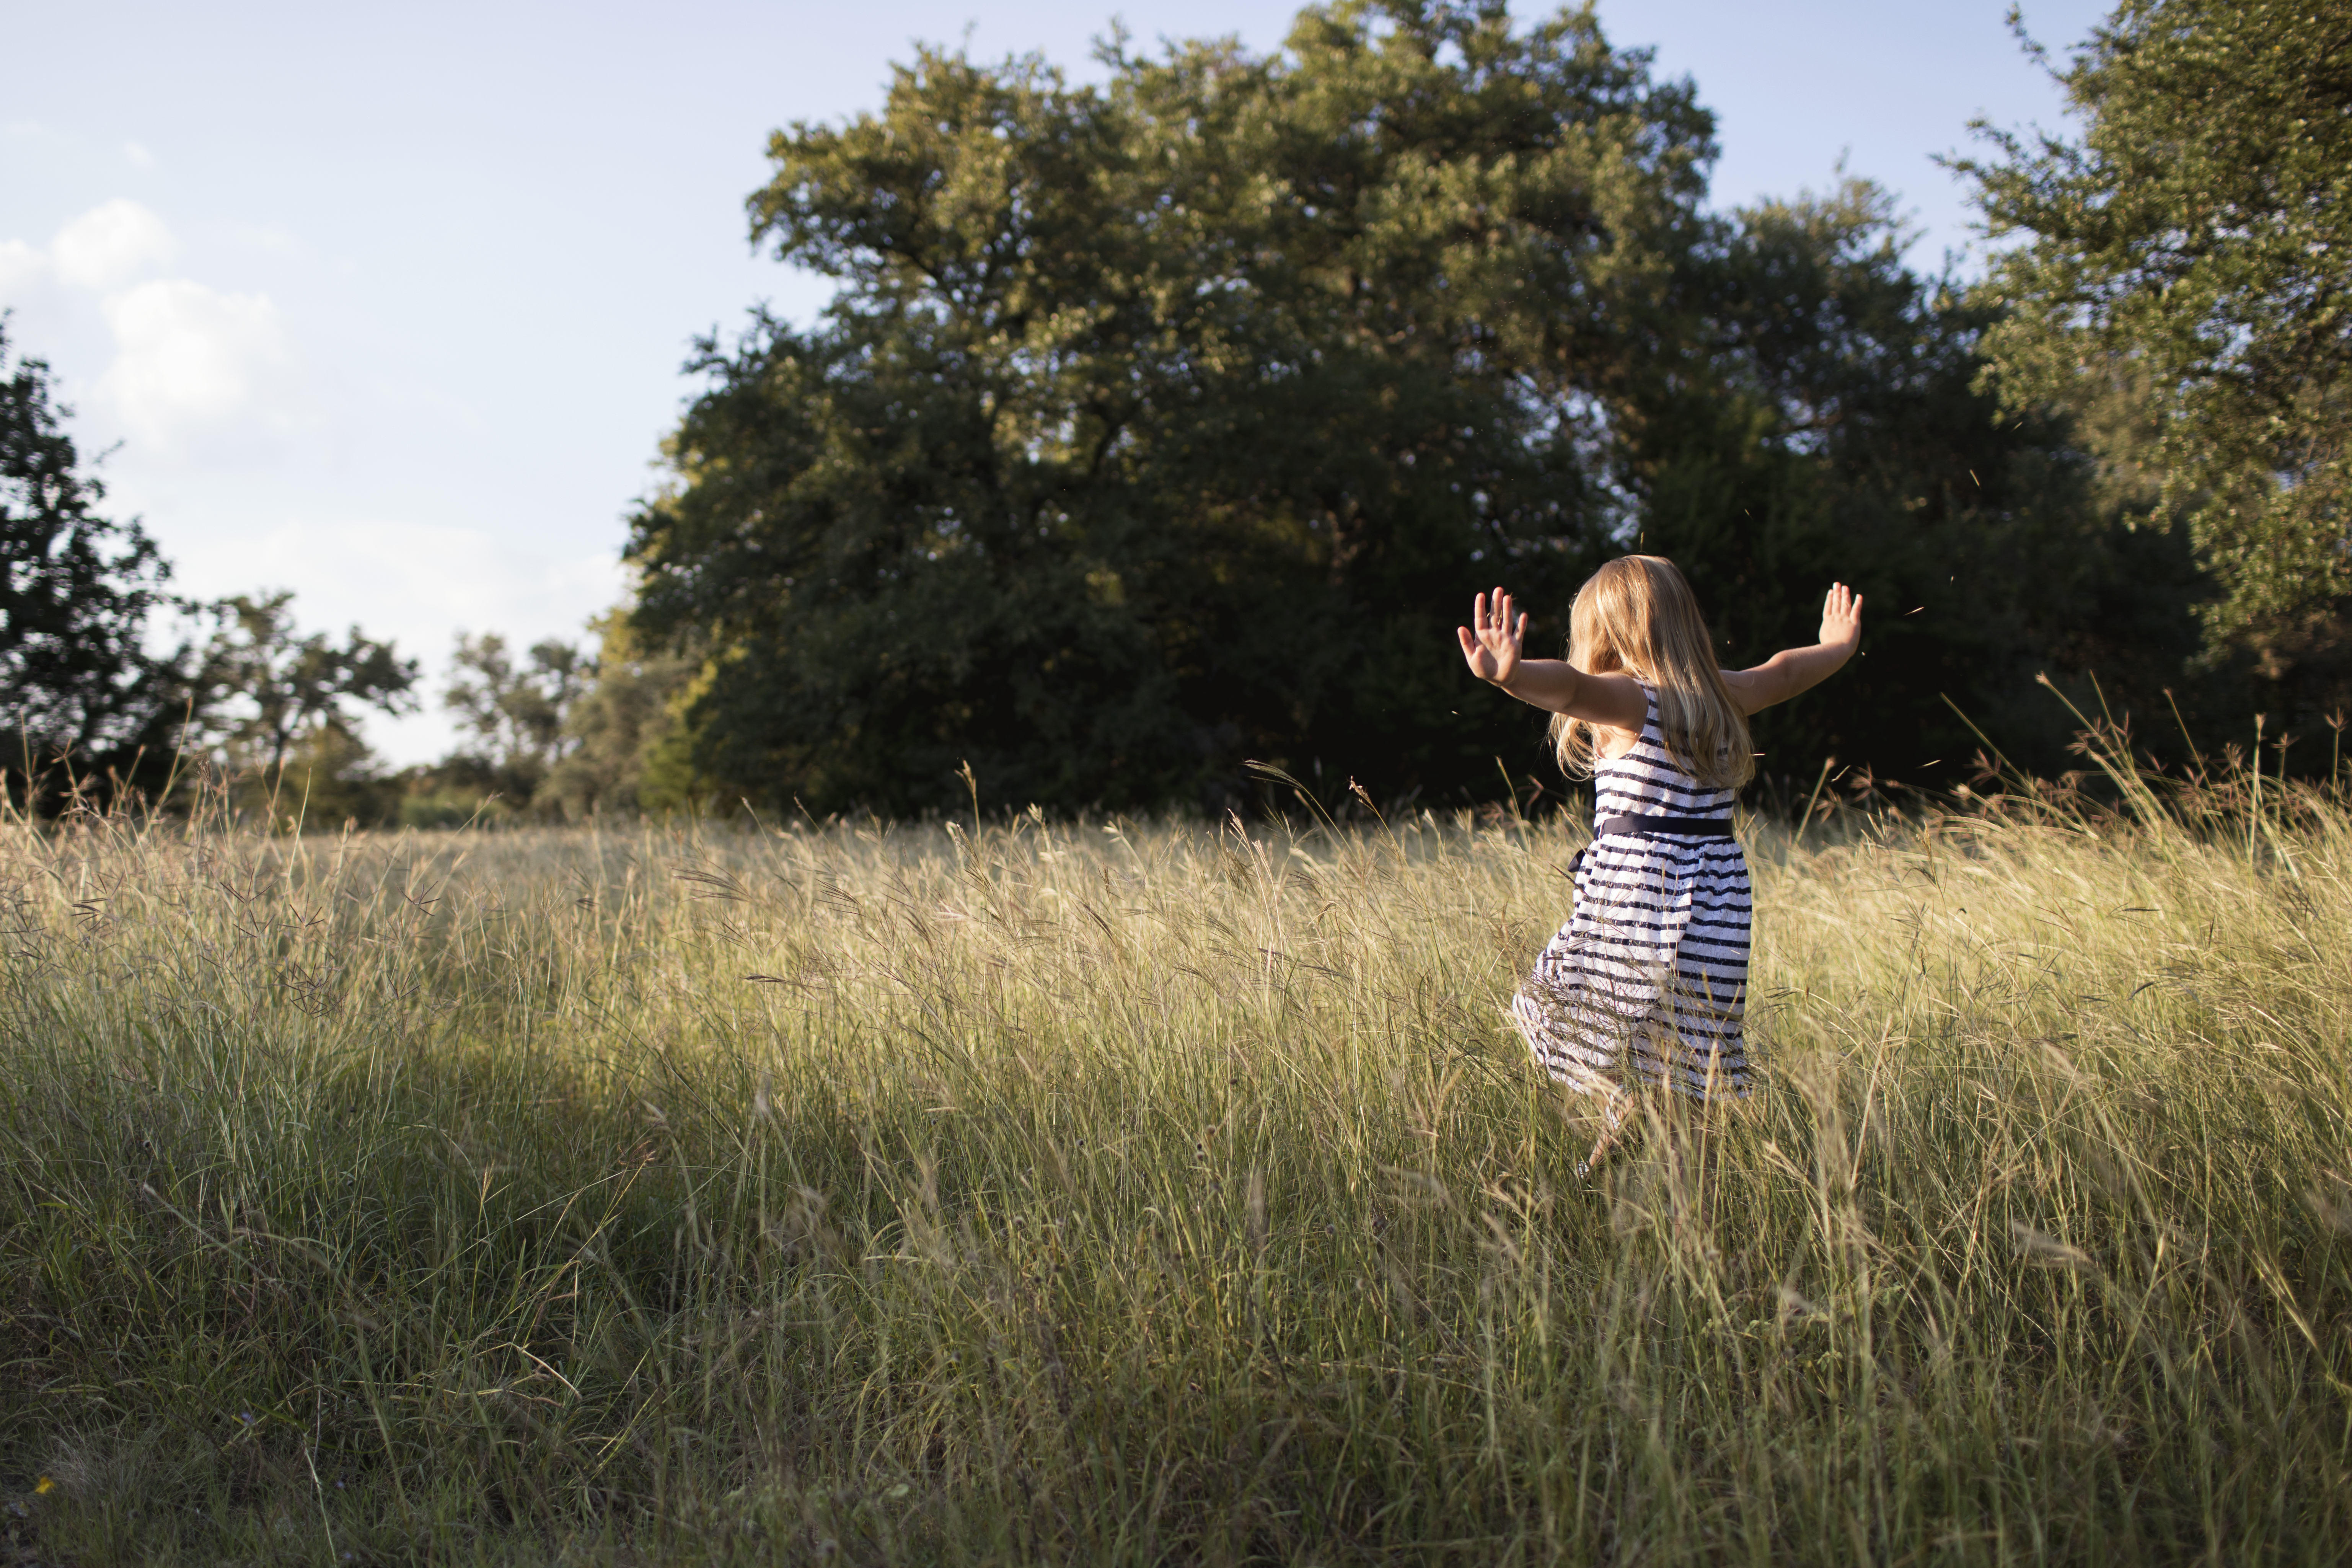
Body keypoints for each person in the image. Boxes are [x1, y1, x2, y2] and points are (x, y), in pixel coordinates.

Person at [1456, 556, 1863, 1171]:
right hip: (1717, 908)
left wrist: (1511, 678)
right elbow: (1785, 672)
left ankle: (1620, 1114)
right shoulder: (1727, 694)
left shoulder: (1629, 697)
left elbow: (1568, 686)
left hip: (1639, 895)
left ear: (1608, 634)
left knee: (1544, 1008)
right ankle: (1636, 1156)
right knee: (1684, 1059)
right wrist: (1834, 647)